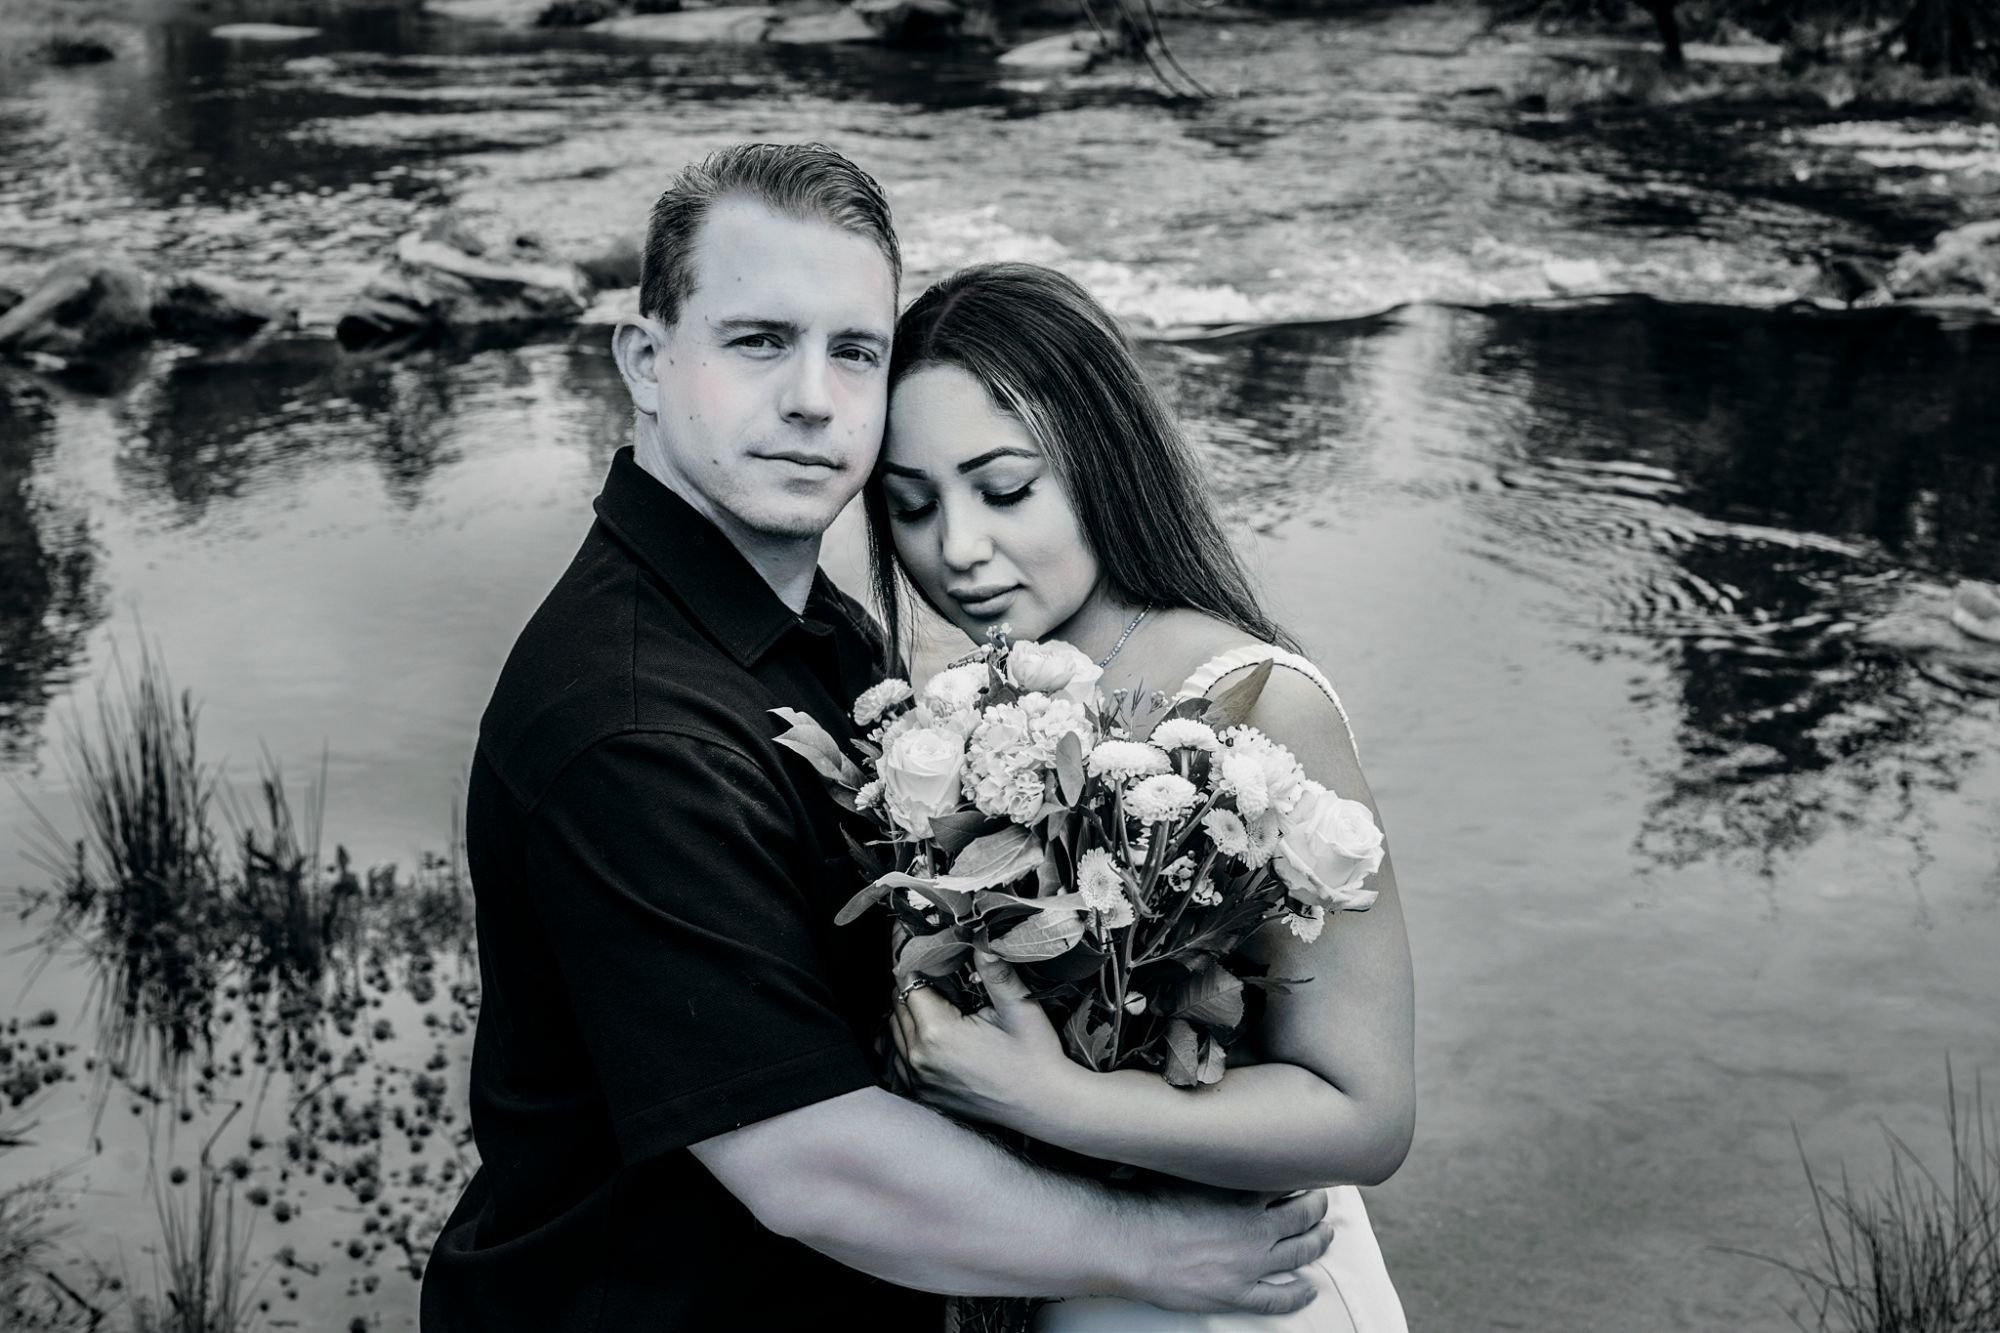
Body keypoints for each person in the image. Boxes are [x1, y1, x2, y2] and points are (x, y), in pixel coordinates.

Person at [419, 145, 1340, 1331]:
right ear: (644, 361)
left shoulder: (811, 627)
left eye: (854, 350)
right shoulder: (631, 725)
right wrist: (1149, 1248)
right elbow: (808, 1163)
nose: (813, 398)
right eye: (759, 340)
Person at [868, 262, 1417, 1332]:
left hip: (1244, 1292)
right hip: (1076, 1278)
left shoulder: (1255, 704)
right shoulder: (976, 711)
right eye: (912, 506)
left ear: (1101, 457)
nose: (956, 550)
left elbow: (1367, 1114)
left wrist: (1055, 1100)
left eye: (1005, 489)